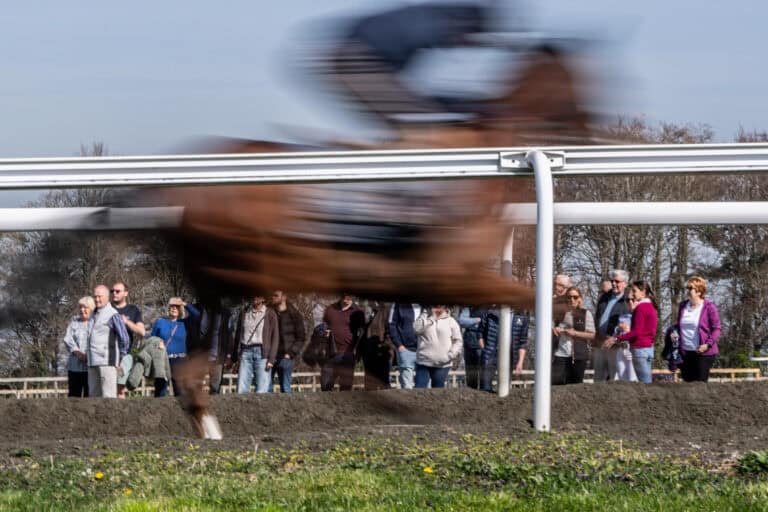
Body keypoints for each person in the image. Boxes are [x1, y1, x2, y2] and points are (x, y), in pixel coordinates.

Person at [608, 280, 659, 384]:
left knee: (644, 384)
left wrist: (617, 338)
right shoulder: (652, 307)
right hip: (649, 348)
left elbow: (636, 332)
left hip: (640, 349)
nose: (633, 294)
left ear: (643, 292)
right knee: (647, 382)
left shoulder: (640, 308)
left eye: (635, 291)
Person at [150, 297, 200, 396]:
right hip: (163, 360)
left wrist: (184, 303)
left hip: (180, 361)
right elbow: (151, 339)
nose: (174, 308)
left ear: (180, 309)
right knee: (160, 392)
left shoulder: (185, 323)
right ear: (168, 308)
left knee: (181, 393)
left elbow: (197, 315)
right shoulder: (160, 322)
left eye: (177, 307)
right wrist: (157, 344)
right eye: (172, 306)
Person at [674, 276, 721, 382]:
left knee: (700, 385)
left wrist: (708, 344)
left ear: (699, 291)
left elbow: (717, 328)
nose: (688, 290)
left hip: (703, 352)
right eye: (687, 288)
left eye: (691, 288)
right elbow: (679, 325)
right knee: (687, 385)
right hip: (685, 352)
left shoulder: (709, 307)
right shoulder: (683, 306)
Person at [87, 285, 130, 398]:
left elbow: (124, 338)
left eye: (100, 296)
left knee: (108, 397)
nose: (97, 299)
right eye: (95, 297)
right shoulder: (92, 314)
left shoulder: (113, 314)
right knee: (93, 397)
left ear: (107, 297)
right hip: (92, 361)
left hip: (107, 362)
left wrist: (121, 356)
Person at [232, 296, 279, 394]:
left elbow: (275, 338)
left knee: (262, 390)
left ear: (263, 298)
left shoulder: (270, 313)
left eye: (258, 295)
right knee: (241, 388)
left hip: (262, 353)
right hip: (245, 351)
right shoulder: (244, 312)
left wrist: (271, 359)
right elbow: (238, 335)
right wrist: (234, 357)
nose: (254, 298)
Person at [321, 294, 366, 391]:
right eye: (345, 295)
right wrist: (324, 333)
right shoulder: (330, 309)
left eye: (350, 295)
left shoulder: (358, 312)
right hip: (330, 354)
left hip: (348, 355)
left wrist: (357, 352)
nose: (348, 298)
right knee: (325, 387)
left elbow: (362, 334)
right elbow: (323, 327)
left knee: (346, 390)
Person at [479, 307, 529, 392]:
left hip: (509, 355)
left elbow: (523, 342)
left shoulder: (522, 317)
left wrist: (520, 362)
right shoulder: (490, 313)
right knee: (485, 387)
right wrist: (485, 350)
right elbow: (480, 333)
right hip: (491, 354)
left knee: (504, 389)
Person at [593, 270, 631, 382]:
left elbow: (628, 324)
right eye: (612, 281)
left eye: (617, 281)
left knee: (614, 378)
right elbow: (597, 317)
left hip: (616, 345)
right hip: (600, 342)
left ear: (625, 283)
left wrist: (615, 338)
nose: (613, 283)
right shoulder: (605, 297)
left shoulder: (628, 301)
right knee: (598, 378)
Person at [552, 287, 595, 385]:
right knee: (555, 385)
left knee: (574, 387)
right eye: (569, 297)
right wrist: (555, 329)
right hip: (560, 353)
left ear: (580, 298)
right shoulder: (560, 313)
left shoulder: (585, 314)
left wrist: (575, 333)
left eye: (575, 297)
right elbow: (551, 325)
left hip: (578, 356)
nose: (572, 300)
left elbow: (592, 335)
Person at [110, 281, 146, 399]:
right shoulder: (107, 308)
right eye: (112, 291)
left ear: (126, 293)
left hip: (125, 355)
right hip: (107, 354)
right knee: (108, 388)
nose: (114, 293)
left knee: (120, 389)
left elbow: (142, 332)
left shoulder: (133, 310)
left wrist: (127, 322)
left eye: (117, 291)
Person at [414, 305, 462, 389]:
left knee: (438, 392)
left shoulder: (451, 321)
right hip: (423, 362)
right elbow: (416, 329)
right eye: (435, 305)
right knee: (419, 390)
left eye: (441, 306)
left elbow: (458, 341)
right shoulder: (424, 317)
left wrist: (450, 355)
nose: (437, 308)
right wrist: (432, 318)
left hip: (443, 364)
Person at [269, 291, 306, 394]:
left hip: (286, 357)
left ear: (284, 297)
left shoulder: (295, 314)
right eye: (272, 295)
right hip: (270, 356)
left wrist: (290, 354)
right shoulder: (269, 313)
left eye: (276, 295)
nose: (273, 297)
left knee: (285, 389)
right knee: (266, 389)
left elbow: (301, 337)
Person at [198, 300, 232, 395]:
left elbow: (229, 335)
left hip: (217, 356)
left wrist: (228, 355)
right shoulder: (202, 311)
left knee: (215, 388)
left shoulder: (226, 313)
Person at [63, 296, 94, 397]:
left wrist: (87, 355)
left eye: (85, 307)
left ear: (91, 308)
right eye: (80, 307)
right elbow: (68, 339)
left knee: (89, 396)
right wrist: (77, 352)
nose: (82, 310)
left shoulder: (95, 323)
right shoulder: (74, 323)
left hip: (91, 367)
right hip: (75, 366)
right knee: (73, 395)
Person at [359, 301, 394, 390]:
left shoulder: (386, 309)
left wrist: (385, 345)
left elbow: (390, 330)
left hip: (381, 352)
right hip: (367, 352)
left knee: (383, 382)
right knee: (369, 384)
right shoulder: (365, 309)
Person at [389, 303, 423, 389]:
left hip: (425, 350)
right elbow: (391, 325)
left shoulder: (426, 305)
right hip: (406, 349)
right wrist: (399, 345)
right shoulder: (398, 304)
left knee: (424, 386)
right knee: (407, 386)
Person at [458, 306, 485, 389]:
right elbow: (462, 321)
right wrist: (477, 320)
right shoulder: (468, 307)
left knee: (483, 373)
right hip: (469, 343)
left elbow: (486, 324)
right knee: (470, 373)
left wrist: (470, 323)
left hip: (483, 344)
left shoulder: (488, 308)